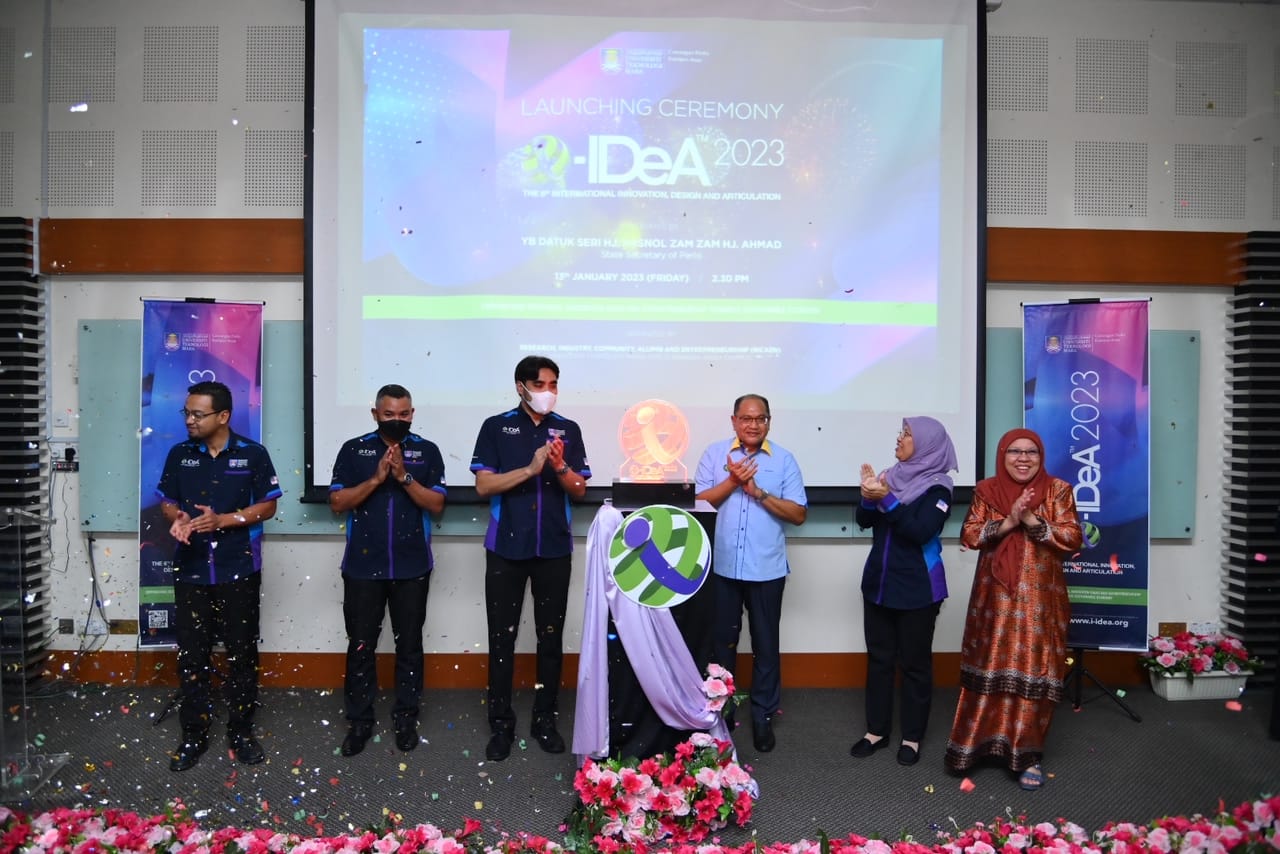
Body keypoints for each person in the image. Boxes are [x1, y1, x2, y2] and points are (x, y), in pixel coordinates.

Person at [944, 427, 1082, 790]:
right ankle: (974, 746)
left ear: (1041, 457)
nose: (1023, 458)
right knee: (989, 664)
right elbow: (969, 535)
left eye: (1031, 452)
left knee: (1034, 670)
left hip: (1041, 600)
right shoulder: (986, 490)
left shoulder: (1057, 490)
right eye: (1014, 451)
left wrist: (1032, 521)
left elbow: (1072, 538)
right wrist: (1008, 522)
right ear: (1002, 455)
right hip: (994, 600)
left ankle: (1027, 755)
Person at [157, 380, 282, 772]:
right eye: (187, 413)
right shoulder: (180, 455)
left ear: (223, 416)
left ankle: (241, 732)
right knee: (192, 654)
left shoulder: (253, 454)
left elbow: (268, 507)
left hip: (238, 567)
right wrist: (177, 518)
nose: (190, 420)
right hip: (191, 569)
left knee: (242, 652)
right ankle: (193, 734)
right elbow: (168, 502)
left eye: (198, 414)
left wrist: (225, 520)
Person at [471, 355, 590, 761]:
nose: (548, 392)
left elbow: (579, 490)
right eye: (541, 384)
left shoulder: (568, 429)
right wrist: (531, 468)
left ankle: (545, 720)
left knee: (550, 639)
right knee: (501, 639)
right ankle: (501, 724)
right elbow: (484, 486)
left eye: (554, 384)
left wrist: (559, 467)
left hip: (554, 549)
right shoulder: (496, 426)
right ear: (520, 386)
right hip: (506, 548)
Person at [329, 384, 446, 756]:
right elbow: (337, 502)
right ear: (375, 414)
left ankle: (405, 719)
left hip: (412, 566)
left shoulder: (428, 451)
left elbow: (437, 505)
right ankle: (359, 722)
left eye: (404, 414)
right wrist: (376, 479)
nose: (397, 420)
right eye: (389, 414)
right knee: (360, 646)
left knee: (409, 645)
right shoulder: (353, 450)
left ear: (412, 414)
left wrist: (404, 477)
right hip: (363, 567)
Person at [695, 394, 807, 753]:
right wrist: (732, 482)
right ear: (734, 421)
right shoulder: (714, 454)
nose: (753, 425)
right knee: (720, 645)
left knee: (765, 645)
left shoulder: (784, 460)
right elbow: (697, 504)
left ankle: (762, 716)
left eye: (760, 419)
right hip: (722, 567)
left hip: (767, 569)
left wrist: (758, 492)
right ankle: (721, 715)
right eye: (746, 418)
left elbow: (798, 514)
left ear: (769, 422)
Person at [851, 416, 957, 767]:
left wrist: (887, 499)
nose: (899, 438)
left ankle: (912, 736)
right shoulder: (889, 476)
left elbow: (919, 531)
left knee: (914, 664)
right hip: (879, 585)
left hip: (918, 589)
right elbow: (864, 521)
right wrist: (869, 497)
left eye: (907, 434)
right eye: (901, 433)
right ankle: (876, 731)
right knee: (879, 660)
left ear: (926, 444)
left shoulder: (939, 489)